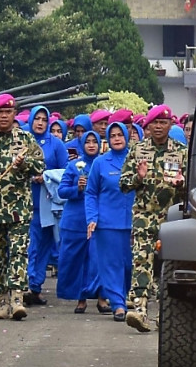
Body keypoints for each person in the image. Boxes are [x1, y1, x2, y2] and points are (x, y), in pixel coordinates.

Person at [0, 94, 45, 320]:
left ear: (14, 115)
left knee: (19, 254)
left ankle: (17, 299)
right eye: (0, 112)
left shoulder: (25, 139)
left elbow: (39, 165)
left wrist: (25, 164)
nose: (4, 116)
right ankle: (1, 300)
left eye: (9, 112)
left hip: (19, 210)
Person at [119, 104, 187, 332]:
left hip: (172, 219)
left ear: (170, 125)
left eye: (163, 122)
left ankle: (166, 314)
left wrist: (182, 184)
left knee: (168, 268)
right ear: (147, 126)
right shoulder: (137, 151)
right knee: (141, 263)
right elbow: (123, 185)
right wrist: (138, 178)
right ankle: (139, 311)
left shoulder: (181, 152)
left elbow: (193, 190)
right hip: (144, 216)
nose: (158, 126)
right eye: (154, 122)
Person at [86, 122, 135, 323]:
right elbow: (90, 193)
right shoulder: (100, 162)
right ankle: (118, 304)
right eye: (112, 135)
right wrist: (92, 218)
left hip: (134, 221)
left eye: (120, 135)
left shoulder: (136, 159)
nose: (116, 138)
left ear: (126, 136)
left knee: (128, 265)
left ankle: (126, 296)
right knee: (111, 265)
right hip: (107, 223)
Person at [58, 131, 109, 314]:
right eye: (87, 142)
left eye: (95, 141)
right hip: (75, 220)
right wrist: (77, 189)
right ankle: (81, 299)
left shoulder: (104, 164)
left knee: (98, 259)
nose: (91, 145)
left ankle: (102, 298)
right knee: (77, 261)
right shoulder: (73, 166)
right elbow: (61, 191)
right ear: (81, 144)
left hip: (98, 217)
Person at [25, 106, 69, 307]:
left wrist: (46, 176)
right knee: (26, 246)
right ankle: (21, 285)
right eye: (37, 119)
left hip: (45, 202)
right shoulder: (23, 138)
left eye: (44, 119)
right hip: (22, 200)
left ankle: (35, 286)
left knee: (42, 245)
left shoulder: (56, 144)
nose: (40, 123)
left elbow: (65, 172)